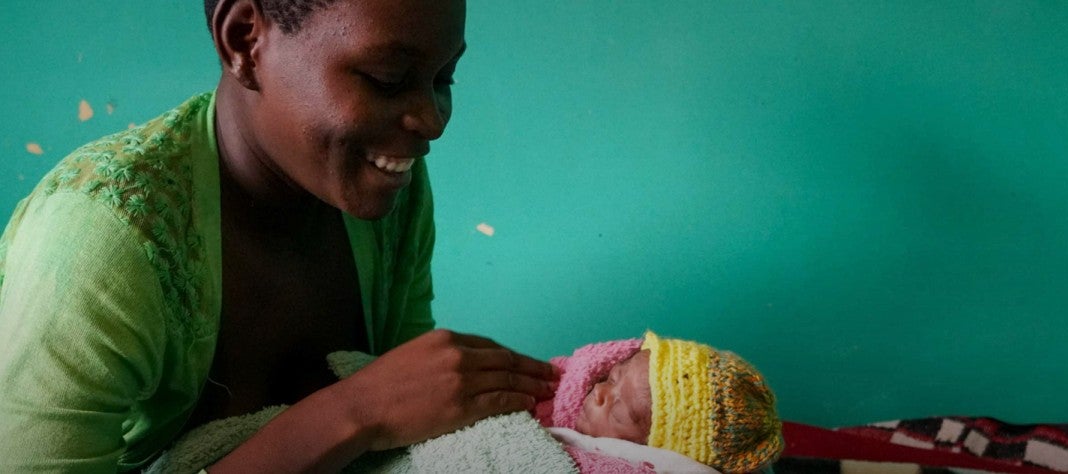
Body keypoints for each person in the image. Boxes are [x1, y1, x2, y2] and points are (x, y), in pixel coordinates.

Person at [0, 0, 558, 472]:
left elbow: (415, 421)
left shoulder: (385, 187)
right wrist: (352, 413)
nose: (432, 120)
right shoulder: (101, 244)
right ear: (244, 39)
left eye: (443, 78)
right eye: (388, 79)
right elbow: (382, 402)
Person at [536, 331, 784, 473]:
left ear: (647, 451)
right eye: (612, 377)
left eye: (618, 414)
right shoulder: (556, 393)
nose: (599, 391)